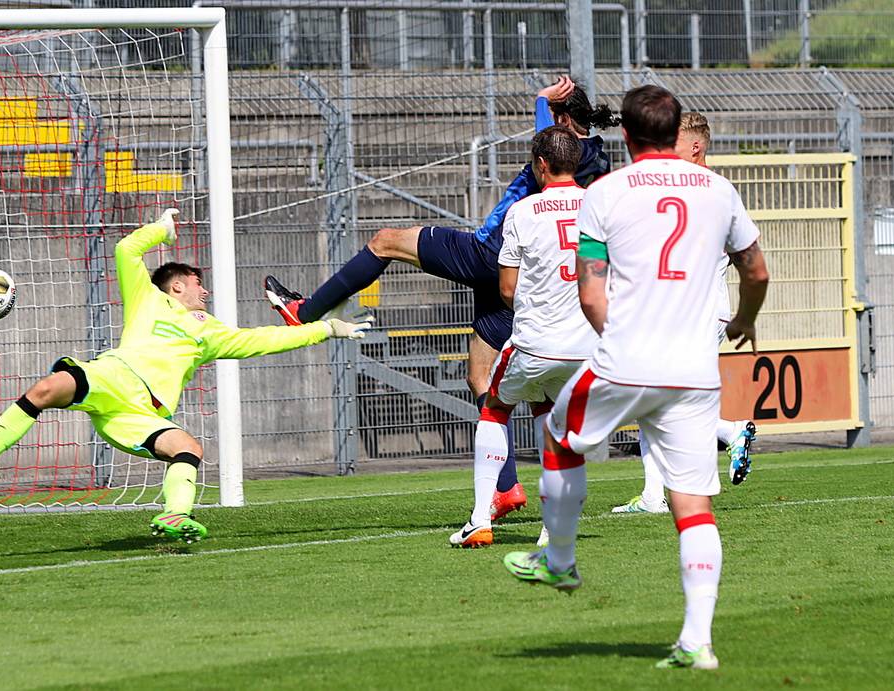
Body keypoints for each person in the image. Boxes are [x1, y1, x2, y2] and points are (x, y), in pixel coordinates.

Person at [503, 86, 770, 671]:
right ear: (677, 133)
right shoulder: (718, 190)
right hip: (694, 370)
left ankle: (560, 559)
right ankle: (697, 642)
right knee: (692, 505)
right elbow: (756, 270)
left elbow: (590, 290)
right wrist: (746, 319)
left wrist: (616, 338)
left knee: (557, 436)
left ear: (625, 134)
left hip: (627, 358)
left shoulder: (606, 191)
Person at [264, 77, 617, 519]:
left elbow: (546, 133)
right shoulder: (598, 159)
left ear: (561, 123)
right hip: (532, 280)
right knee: (480, 376)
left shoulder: (559, 150)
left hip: (490, 256)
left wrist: (541, 98)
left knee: (385, 241)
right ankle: (506, 487)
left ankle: (304, 311)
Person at [0, 210, 372, 542]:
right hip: (113, 376)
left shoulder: (211, 332)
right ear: (177, 284)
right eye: (198, 283)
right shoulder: (147, 298)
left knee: (188, 447)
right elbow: (126, 249)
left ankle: (175, 515)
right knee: (47, 387)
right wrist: (161, 230)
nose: (205, 290)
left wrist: (327, 329)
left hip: (142, 413)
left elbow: (264, 340)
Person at [450, 125, 598, 547]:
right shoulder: (599, 206)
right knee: (554, 419)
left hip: (535, 342)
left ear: (541, 165)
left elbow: (507, 289)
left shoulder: (524, 211)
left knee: (495, 408)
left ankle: (480, 518)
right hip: (586, 348)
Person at [611, 111, 757, 515]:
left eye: (671, 144)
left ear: (695, 147)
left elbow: (747, 259)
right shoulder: (697, 191)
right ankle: (654, 495)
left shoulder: (710, 192)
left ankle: (729, 433)